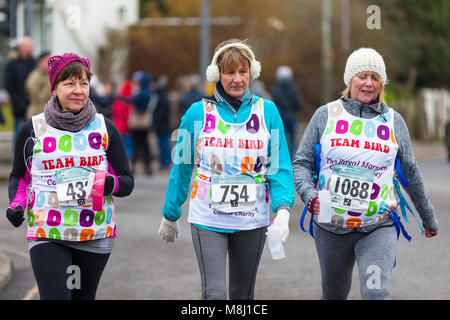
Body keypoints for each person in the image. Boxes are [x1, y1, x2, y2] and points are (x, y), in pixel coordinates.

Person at [292, 47, 439, 300]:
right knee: (334, 294)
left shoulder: (394, 121)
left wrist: (428, 218)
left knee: (376, 293)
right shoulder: (325, 115)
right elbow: (302, 162)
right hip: (331, 226)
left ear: (382, 83)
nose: (368, 83)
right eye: (362, 76)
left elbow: (411, 173)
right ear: (350, 79)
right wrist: (310, 196)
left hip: (378, 225)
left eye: (375, 77)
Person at [159, 39, 295, 300]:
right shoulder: (197, 113)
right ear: (217, 75)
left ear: (251, 73)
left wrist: (283, 210)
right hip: (207, 218)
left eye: (243, 72)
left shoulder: (268, 111)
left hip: (252, 218)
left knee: (242, 295)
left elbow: (278, 166)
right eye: (229, 72)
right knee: (215, 295)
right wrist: (170, 213)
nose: (237, 79)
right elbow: (182, 166)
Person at [6, 53, 134, 300]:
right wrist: (16, 205)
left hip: (95, 231)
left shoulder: (104, 127)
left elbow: (126, 181)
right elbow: (19, 177)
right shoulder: (33, 129)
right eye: (69, 84)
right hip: (48, 231)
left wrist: (111, 183)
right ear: (54, 88)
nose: (78, 91)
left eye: (83, 84)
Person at [3, 36, 36, 149]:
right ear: (21, 47)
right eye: (29, 46)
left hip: (33, 106)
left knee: (33, 135)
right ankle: (17, 163)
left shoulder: (33, 63)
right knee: (19, 135)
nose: (31, 49)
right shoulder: (12, 64)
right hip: (19, 107)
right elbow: (8, 84)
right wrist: (17, 101)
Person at [271, 65, 302, 158]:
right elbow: (298, 104)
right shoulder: (294, 87)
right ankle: (291, 158)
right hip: (291, 116)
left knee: (279, 138)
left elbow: (273, 103)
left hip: (279, 116)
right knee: (292, 139)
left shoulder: (275, 88)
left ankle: (279, 158)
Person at [152, 75, 172, 170]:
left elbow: (162, 111)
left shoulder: (160, 95)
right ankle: (164, 163)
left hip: (162, 125)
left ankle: (165, 163)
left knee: (163, 145)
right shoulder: (161, 94)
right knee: (162, 145)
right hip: (162, 125)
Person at [111, 79, 134, 158]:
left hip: (118, 126)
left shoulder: (118, 100)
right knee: (128, 147)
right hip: (127, 128)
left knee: (120, 147)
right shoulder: (129, 101)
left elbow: (114, 113)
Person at [25, 51, 52, 119]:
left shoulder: (50, 75)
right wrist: (50, 83)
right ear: (40, 62)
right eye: (48, 61)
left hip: (48, 113)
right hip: (37, 113)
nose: (51, 63)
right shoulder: (34, 77)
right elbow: (38, 97)